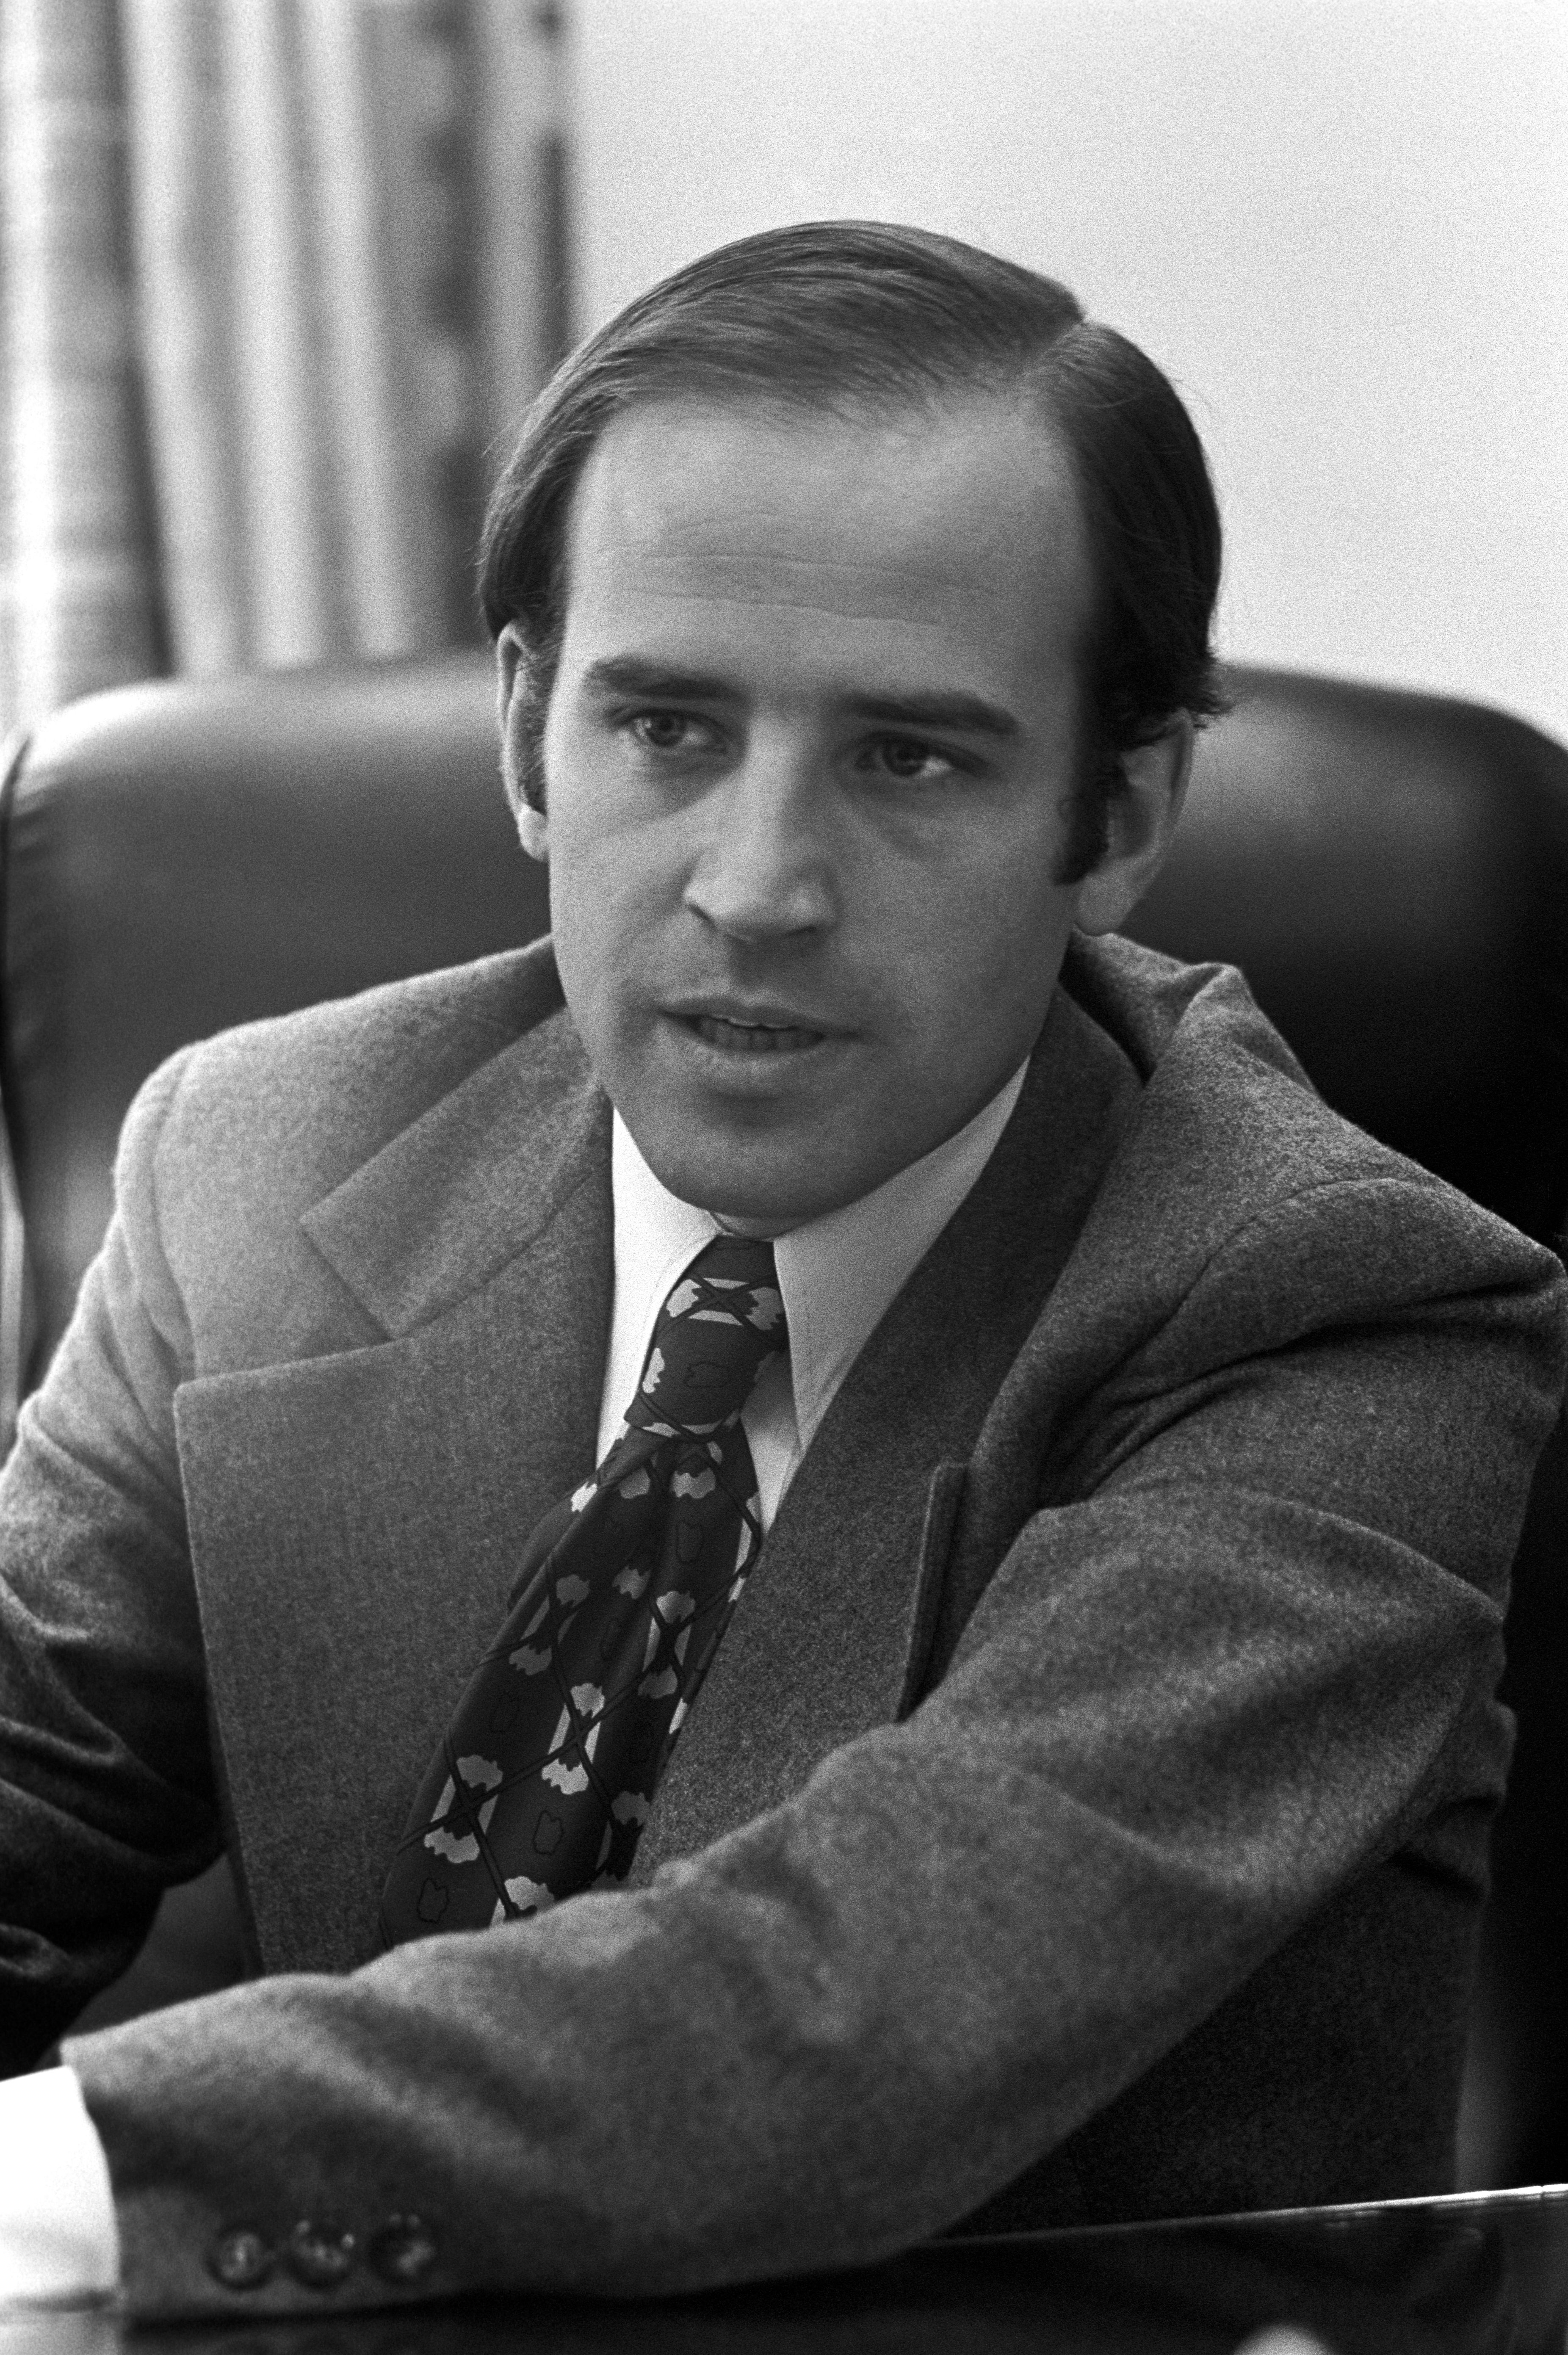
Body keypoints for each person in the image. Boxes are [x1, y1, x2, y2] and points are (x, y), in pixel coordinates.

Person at [0, 221, 1562, 2320]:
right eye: (663, 728)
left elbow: (863, 1994)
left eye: (906, 757)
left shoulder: (1339, 1302)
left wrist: (65, 2183)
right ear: (527, 736)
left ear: (1113, 814)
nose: (753, 887)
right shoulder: (258, 1156)